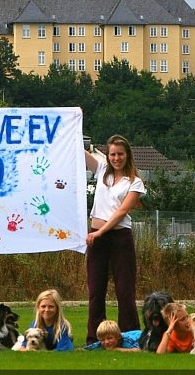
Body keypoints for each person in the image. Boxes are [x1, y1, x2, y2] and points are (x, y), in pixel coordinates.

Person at [84, 134, 146, 344]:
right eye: (112, 154)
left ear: (127, 155)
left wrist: (100, 232)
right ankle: (95, 338)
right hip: (96, 238)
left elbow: (121, 212)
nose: (116, 158)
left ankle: (130, 336)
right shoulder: (102, 171)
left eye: (120, 154)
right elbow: (79, 154)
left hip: (119, 238)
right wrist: (70, 128)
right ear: (107, 155)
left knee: (125, 290)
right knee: (95, 290)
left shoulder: (135, 182)